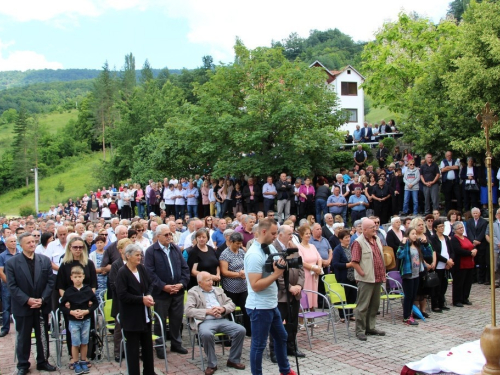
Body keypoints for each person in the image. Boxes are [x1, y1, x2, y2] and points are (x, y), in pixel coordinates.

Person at [244, 218, 297, 375]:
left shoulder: (270, 249)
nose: (276, 236)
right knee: (259, 345)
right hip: (259, 307)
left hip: (271, 304)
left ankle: (285, 370)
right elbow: (255, 285)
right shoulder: (254, 254)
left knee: (282, 337)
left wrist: (283, 263)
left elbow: (279, 265)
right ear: (264, 231)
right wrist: (277, 274)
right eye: (274, 233)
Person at [6, 232, 57, 374]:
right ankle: (23, 365)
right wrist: (27, 300)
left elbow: (50, 281)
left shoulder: (44, 260)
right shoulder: (12, 263)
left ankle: (43, 361)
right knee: (23, 337)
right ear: (21, 245)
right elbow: (12, 286)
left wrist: (42, 299)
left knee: (42, 335)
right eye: (28, 242)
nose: (32, 244)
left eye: (33, 241)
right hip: (23, 307)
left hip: (41, 305)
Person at [185, 271, 246, 375]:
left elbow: (231, 304)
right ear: (200, 282)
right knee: (206, 334)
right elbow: (188, 310)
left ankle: (233, 360)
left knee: (240, 330)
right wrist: (207, 311)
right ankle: (212, 364)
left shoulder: (218, 290)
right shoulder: (193, 292)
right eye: (208, 280)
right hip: (205, 321)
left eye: (211, 279)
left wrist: (222, 309)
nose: (211, 282)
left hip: (221, 319)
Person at [144, 224, 190, 358]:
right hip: (161, 293)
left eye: (170, 234)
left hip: (177, 291)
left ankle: (176, 343)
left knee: (176, 319)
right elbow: (150, 273)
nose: (169, 237)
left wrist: (181, 284)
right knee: (160, 321)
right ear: (158, 236)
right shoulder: (151, 251)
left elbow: (184, 268)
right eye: (166, 235)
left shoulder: (175, 248)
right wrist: (164, 286)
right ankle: (160, 346)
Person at [115, 244, 156, 375]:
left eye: (140, 255)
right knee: (133, 350)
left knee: (148, 348)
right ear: (128, 256)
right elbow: (122, 295)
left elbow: (150, 284)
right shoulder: (122, 272)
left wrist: (148, 295)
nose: (140, 257)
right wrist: (141, 299)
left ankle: (149, 371)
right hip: (131, 317)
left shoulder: (142, 269)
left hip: (145, 316)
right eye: (137, 255)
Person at [56, 236, 97, 361]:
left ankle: (87, 355)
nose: (78, 249)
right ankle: (73, 356)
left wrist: (90, 299)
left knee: (87, 331)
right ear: (70, 248)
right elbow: (61, 286)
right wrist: (67, 300)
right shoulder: (64, 264)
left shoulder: (88, 263)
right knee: (72, 331)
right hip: (71, 303)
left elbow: (93, 284)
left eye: (81, 247)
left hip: (86, 302)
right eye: (75, 247)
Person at [351, 218, 386, 341]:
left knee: (374, 305)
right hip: (366, 279)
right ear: (364, 229)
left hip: (378, 277)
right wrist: (362, 273)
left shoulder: (377, 239)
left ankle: (370, 327)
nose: (375, 229)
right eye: (372, 227)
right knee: (363, 306)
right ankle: (360, 330)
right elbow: (354, 262)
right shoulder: (358, 242)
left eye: (375, 226)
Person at [60, 265, 98, 374]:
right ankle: (75, 362)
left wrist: (87, 311)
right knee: (75, 342)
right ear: (71, 278)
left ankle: (83, 361)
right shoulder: (69, 291)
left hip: (86, 319)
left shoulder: (87, 290)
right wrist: (71, 312)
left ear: (83, 277)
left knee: (84, 341)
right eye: (75, 277)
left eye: (80, 276)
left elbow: (95, 303)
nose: (77, 279)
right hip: (73, 321)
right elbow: (62, 306)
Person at [397, 227, 433, 325]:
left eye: (415, 234)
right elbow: (399, 255)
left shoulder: (417, 245)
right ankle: (406, 317)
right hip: (408, 274)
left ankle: (410, 314)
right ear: (407, 235)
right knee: (408, 296)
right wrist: (403, 244)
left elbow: (429, 254)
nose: (415, 236)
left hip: (417, 273)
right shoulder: (406, 245)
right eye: (412, 234)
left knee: (413, 296)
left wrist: (426, 244)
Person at [219, 232, 250, 335]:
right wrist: (238, 274)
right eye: (237, 243)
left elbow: (246, 264)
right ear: (231, 242)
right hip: (230, 287)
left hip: (242, 287)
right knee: (230, 310)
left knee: (246, 309)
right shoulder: (225, 254)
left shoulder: (241, 252)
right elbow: (224, 272)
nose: (239, 245)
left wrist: (245, 271)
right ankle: (231, 332)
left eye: (240, 243)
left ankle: (249, 330)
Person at [450, 221, 477, 307]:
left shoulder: (465, 237)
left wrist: (475, 250)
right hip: (460, 264)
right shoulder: (454, 239)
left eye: (462, 227)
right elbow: (458, 250)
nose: (461, 229)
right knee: (459, 282)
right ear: (455, 230)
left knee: (467, 282)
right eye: (459, 228)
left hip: (469, 263)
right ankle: (457, 300)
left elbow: (471, 246)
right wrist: (470, 253)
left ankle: (465, 298)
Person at [332, 230, 357, 322]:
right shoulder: (338, 250)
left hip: (353, 276)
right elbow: (335, 264)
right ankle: (342, 315)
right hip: (343, 276)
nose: (348, 239)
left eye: (349, 237)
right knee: (343, 295)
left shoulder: (352, 247)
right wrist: (348, 265)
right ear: (341, 240)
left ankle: (350, 313)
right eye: (346, 238)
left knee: (353, 295)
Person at [430, 219, 454, 311]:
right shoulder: (433, 238)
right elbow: (436, 253)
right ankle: (435, 304)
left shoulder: (446, 238)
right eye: (440, 227)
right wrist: (446, 261)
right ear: (435, 228)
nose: (442, 228)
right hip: (438, 265)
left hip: (447, 265)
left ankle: (441, 302)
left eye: (443, 226)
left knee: (444, 284)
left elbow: (451, 251)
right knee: (437, 285)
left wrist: (450, 260)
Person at [0, 235, 21, 337]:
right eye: (11, 241)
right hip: (7, 285)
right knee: (6, 307)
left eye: (14, 241)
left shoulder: (20, 254)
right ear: (6, 244)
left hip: (20, 285)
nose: (13, 243)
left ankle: (21, 327)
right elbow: (1, 271)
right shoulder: (2, 256)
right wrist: (9, 283)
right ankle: (5, 328)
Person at [297, 225, 322, 309]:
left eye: (309, 233)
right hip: (306, 274)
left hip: (314, 275)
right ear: (301, 235)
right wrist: (313, 268)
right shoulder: (299, 247)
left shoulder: (312, 246)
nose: (308, 235)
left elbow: (319, 258)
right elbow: (302, 262)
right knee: (305, 296)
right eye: (306, 234)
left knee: (313, 296)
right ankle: (302, 319)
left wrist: (319, 268)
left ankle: (312, 320)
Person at [466, 207, 489, 284]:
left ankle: (481, 278)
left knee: (482, 261)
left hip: (481, 244)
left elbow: (483, 232)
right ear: (472, 214)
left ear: (479, 213)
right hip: (472, 244)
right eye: (474, 213)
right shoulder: (469, 222)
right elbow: (469, 232)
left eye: (476, 213)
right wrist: (473, 241)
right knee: (473, 261)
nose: (475, 214)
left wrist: (478, 240)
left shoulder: (484, 222)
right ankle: (473, 278)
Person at [88, 235, 107, 302]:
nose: (99, 244)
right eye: (97, 243)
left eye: (101, 242)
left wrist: (106, 270)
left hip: (106, 279)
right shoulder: (92, 255)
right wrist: (101, 270)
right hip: (97, 279)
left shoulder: (107, 253)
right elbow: (90, 268)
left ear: (104, 243)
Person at [485, 208, 500, 288]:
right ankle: (495, 282)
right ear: (496, 215)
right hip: (495, 247)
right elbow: (491, 235)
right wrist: (497, 243)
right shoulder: (492, 224)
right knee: (495, 265)